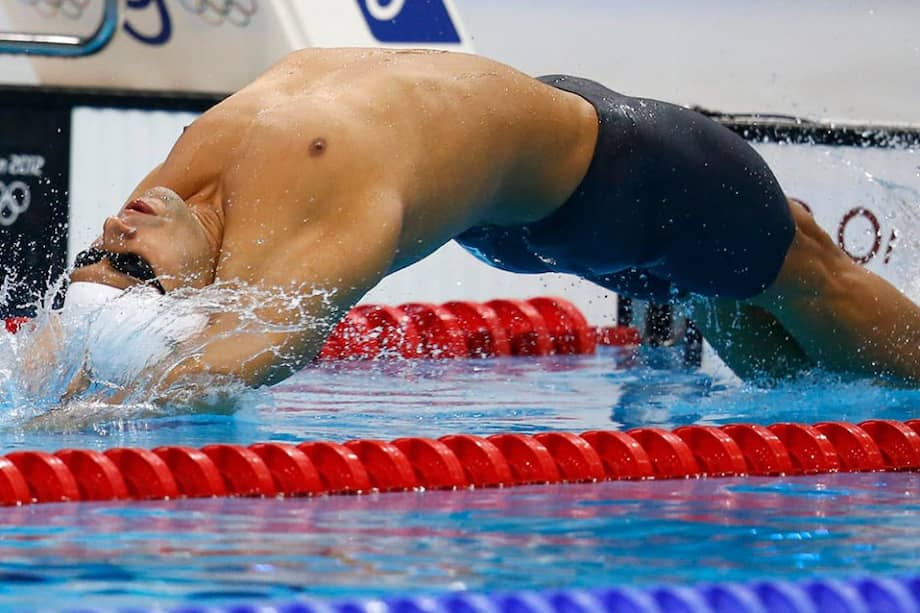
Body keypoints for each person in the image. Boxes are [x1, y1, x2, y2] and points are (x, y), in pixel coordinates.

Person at [62, 47, 920, 399]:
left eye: (96, 253)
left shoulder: (182, 189)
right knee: (793, 283)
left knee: (780, 294)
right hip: (597, 188)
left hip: (582, 180)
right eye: (128, 264)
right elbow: (250, 357)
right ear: (198, 291)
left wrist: (63, 410)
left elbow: (76, 341)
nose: (115, 227)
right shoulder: (285, 216)